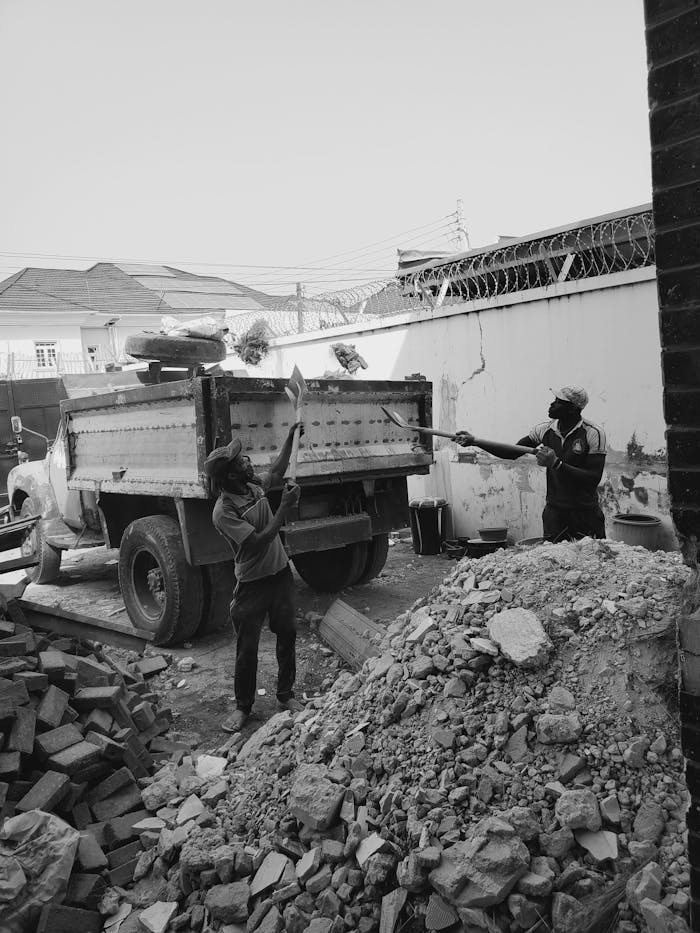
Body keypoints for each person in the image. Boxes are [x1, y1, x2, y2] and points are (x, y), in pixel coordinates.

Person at [205, 423, 304, 733]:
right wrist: (284, 509)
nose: (248, 461)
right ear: (232, 475)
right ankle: (242, 707)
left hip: (281, 575)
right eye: (242, 460)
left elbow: (275, 470)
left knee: (287, 634)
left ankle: (286, 695)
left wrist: (290, 438)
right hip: (253, 584)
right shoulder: (224, 511)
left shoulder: (253, 486)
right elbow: (258, 541)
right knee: (247, 648)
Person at [454, 386, 607, 542]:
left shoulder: (593, 432)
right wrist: (475, 441)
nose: (552, 404)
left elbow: (593, 477)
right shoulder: (545, 430)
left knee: (592, 561)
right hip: (555, 513)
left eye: (558, 402)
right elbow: (511, 452)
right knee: (556, 562)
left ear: (573, 409)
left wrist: (556, 464)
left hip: (585, 513)